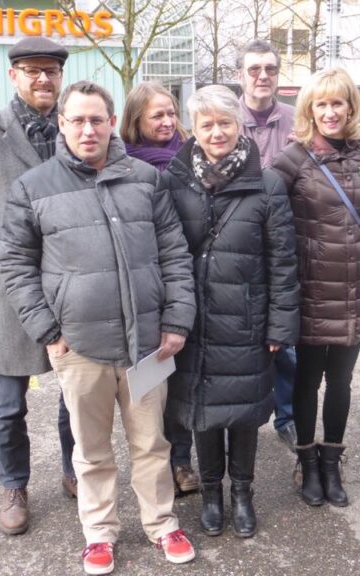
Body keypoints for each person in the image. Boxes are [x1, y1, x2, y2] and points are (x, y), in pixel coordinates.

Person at [0, 81, 198, 574]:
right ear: (61, 125)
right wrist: (48, 331)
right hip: (79, 346)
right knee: (90, 451)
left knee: (152, 443)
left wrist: (176, 319)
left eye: (97, 120)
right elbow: (15, 265)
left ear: (113, 123)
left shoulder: (146, 181)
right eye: (77, 120)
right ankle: (99, 533)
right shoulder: (34, 187)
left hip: (146, 344)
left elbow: (174, 254)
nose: (88, 130)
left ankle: (162, 523)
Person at [160, 85, 299, 538]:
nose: (216, 132)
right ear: (193, 129)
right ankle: (212, 494)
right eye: (207, 124)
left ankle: (243, 492)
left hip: (247, 321)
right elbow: (163, 251)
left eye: (225, 122)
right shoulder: (176, 180)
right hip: (195, 321)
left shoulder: (269, 183)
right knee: (203, 412)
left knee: (243, 414)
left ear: (239, 125)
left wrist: (280, 322)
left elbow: (282, 260)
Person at [0, 36, 76, 536]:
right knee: (10, 403)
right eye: (33, 71)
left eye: (51, 70)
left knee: (76, 393)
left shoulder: (76, 131)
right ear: (14, 76)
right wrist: (12, 259)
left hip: (72, 282)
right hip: (14, 290)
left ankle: (76, 470)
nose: (43, 79)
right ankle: (14, 484)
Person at [271, 67, 360, 508]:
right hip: (312, 288)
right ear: (309, 109)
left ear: (350, 107)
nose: (329, 112)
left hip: (355, 286)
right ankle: (306, 460)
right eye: (320, 104)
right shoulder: (294, 158)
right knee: (306, 380)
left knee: (341, 381)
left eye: (337, 102)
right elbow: (270, 215)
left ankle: (332, 462)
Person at [120, 81, 199, 497]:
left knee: (181, 379)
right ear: (136, 120)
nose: (168, 121)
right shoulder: (123, 165)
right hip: (148, 285)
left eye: (171, 113)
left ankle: (181, 460)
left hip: (187, 277)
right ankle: (150, 465)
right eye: (157, 115)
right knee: (151, 385)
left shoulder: (191, 158)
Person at [236, 39, 299, 452]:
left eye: (270, 69)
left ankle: (288, 417)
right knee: (237, 346)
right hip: (237, 252)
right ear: (240, 75)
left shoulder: (298, 122)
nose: (263, 76)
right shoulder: (224, 119)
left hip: (283, 248)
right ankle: (238, 423)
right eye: (255, 69)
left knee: (288, 348)